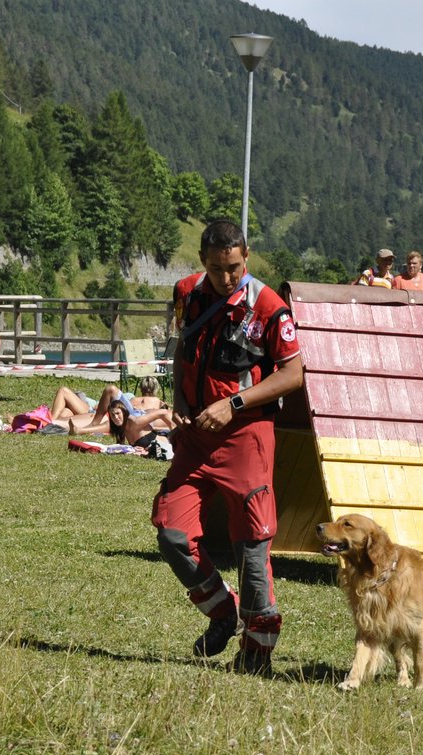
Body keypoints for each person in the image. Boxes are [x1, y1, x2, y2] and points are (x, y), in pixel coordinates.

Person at [153, 219, 305, 676]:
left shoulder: (268, 307)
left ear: (247, 256)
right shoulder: (188, 293)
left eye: (236, 267)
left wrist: (232, 403)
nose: (228, 278)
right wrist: (180, 401)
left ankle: (257, 649)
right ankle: (223, 612)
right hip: (196, 437)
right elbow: (183, 350)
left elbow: (293, 374)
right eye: (219, 269)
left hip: (247, 436)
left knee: (253, 547)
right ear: (203, 261)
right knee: (171, 532)